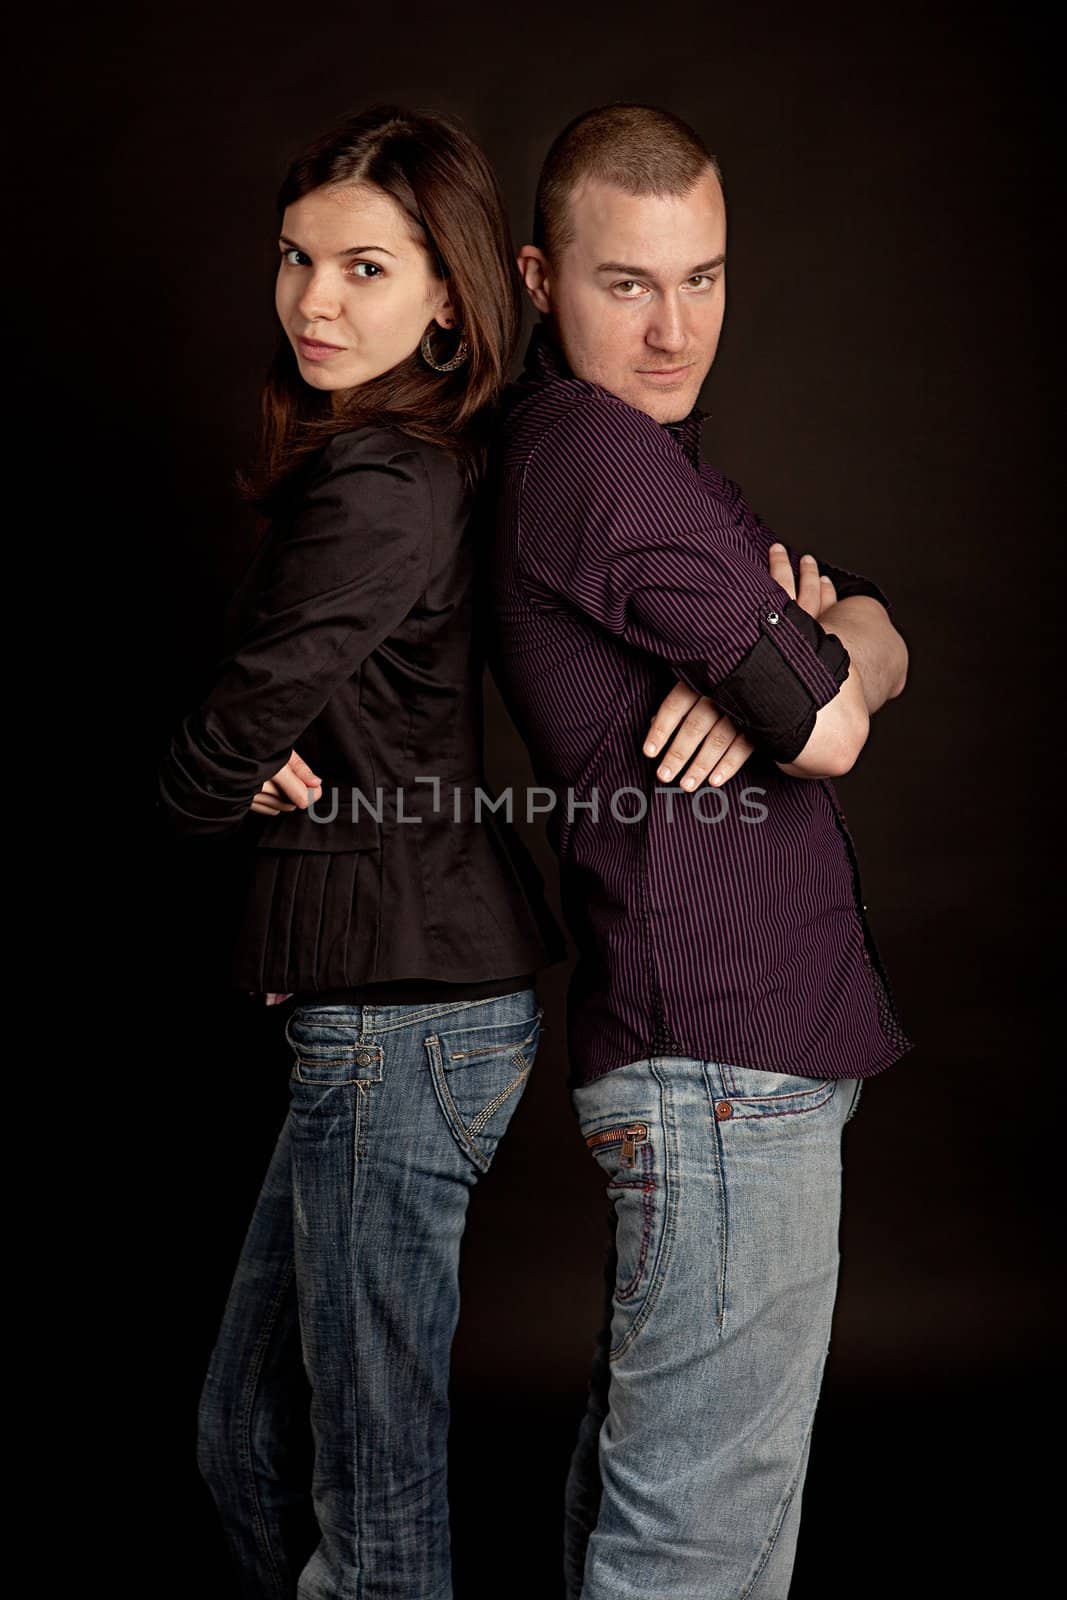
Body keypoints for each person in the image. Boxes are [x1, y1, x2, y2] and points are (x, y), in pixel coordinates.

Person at [485, 103, 915, 1598]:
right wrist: (804, 675)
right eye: (628, 284)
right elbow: (836, 728)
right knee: (694, 1553)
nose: (676, 330)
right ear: (541, 277)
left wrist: (823, 643)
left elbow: (859, 624)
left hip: (721, 1071)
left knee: (665, 1509)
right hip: (721, 1069)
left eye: (706, 279)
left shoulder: (651, 457)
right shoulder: (601, 457)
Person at [157, 104, 564, 1599]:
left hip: (406, 1016)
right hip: (386, 988)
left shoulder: (387, 484)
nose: (315, 301)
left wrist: (212, 775)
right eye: (295, 258)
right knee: (244, 1432)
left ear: (451, 295)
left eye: (367, 269)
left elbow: (219, 748)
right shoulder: (397, 463)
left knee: (373, 1499)